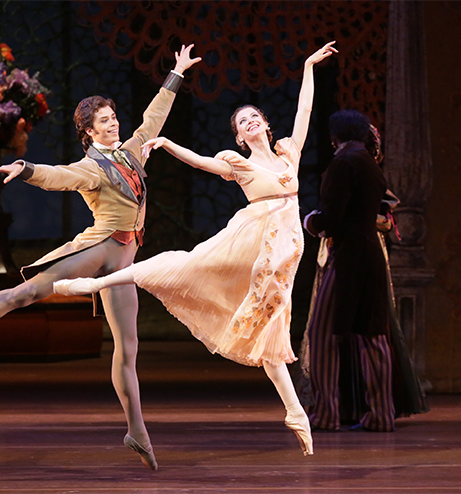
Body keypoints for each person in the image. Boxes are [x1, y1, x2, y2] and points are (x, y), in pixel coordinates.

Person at [0, 44, 202, 470]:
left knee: (128, 349)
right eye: (104, 121)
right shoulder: (91, 167)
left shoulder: (135, 150)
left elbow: (155, 115)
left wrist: (175, 73)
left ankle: (136, 431)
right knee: (23, 295)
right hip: (98, 250)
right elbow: (58, 177)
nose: (114, 124)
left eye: (114, 117)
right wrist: (24, 168)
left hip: (125, 264)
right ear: (89, 133)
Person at [53, 41, 339, 457]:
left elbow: (306, 111)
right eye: (244, 122)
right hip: (251, 244)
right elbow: (202, 161)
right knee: (179, 266)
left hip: (284, 256)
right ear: (239, 137)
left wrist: (309, 66)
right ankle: (87, 286)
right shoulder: (240, 165)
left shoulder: (287, 154)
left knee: (270, 334)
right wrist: (167, 145)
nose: (252, 122)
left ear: (265, 126)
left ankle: (295, 412)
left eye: (255, 117)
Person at [299, 123, 428, 430]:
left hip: (348, 257)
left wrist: (311, 222)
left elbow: (332, 215)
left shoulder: (344, 162)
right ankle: (381, 414)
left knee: (323, 333)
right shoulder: (369, 163)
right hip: (369, 254)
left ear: (336, 136)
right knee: (372, 334)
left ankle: (327, 413)